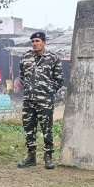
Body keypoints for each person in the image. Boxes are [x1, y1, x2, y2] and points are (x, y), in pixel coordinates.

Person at [17, 31, 64, 169]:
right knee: (29, 129)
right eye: (32, 41)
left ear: (44, 43)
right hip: (28, 100)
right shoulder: (25, 57)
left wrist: (47, 92)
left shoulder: (53, 58)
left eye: (37, 41)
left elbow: (59, 80)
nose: (34, 44)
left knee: (46, 129)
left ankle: (48, 156)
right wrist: (29, 89)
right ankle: (31, 156)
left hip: (45, 101)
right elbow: (22, 76)